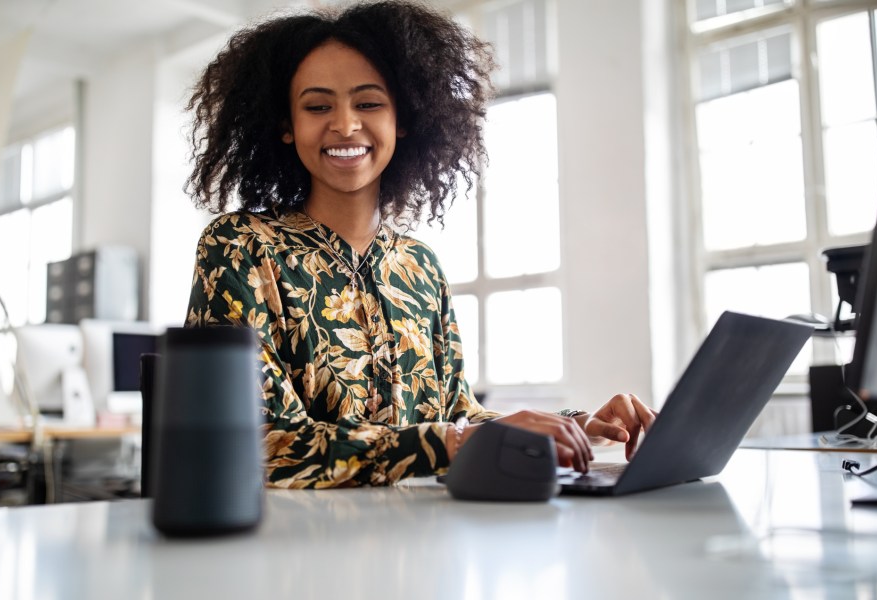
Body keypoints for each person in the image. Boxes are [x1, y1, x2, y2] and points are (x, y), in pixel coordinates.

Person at [185, 0, 656, 489]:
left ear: (403, 120)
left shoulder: (419, 267)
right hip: (293, 548)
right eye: (317, 106)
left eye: (368, 103)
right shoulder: (240, 247)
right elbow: (253, 442)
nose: (345, 125)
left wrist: (574, 426)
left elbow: (458, 416)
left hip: (420, 543)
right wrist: (449, 443)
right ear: (285, 125)